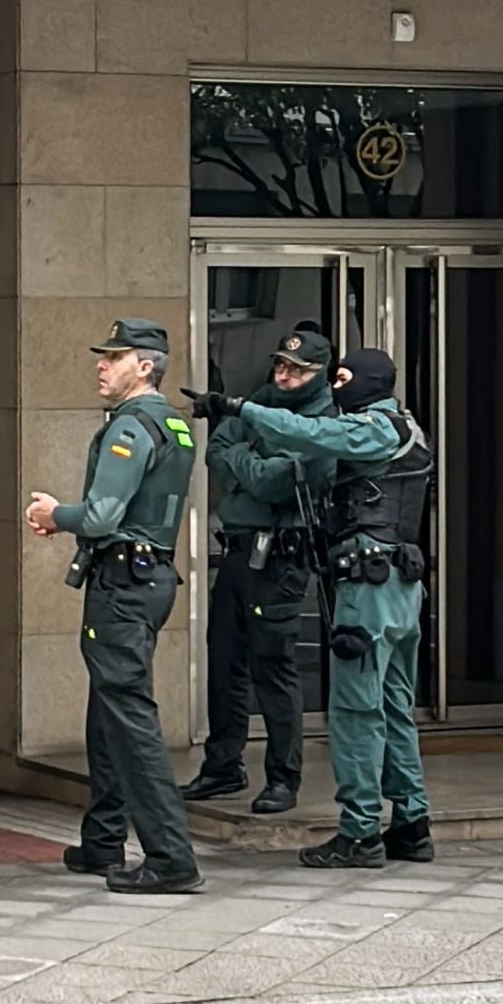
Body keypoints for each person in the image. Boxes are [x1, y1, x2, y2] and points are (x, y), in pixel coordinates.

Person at [215, 350, 434, 870]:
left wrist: (240, 409)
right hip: (396, 586)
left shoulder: (376, 428)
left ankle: (360, 832)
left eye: (343, 378)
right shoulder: (407, 428)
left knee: (357, 712)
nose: (338, 388)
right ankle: (410, 822)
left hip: (371, 587)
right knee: (394, 709)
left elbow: (313, 436)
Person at [25, 319, 203, 895]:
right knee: (109, 708)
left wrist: (57, 514)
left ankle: (171, 857)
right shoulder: (173, 422)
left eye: (115, 357)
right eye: (102, 356)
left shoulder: (132, 423)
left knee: (128, 716)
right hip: (147, 579)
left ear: (145, 366)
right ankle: (102, 840)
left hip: (123, 586)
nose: (101, 365)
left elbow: (102, 515)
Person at [181, 329, 335, 815]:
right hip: (238, 551)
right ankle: (223, 766)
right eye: (280, 366)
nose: (284, 376)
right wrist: (253, 463)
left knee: (274, 667)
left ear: (318, 373)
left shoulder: (323, 421)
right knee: (224, 659)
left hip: (282, 559)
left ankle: (282, 778)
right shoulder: (257, 405)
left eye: (296, 370)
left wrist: (245, 465)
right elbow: (216, 452)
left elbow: (278, 483)